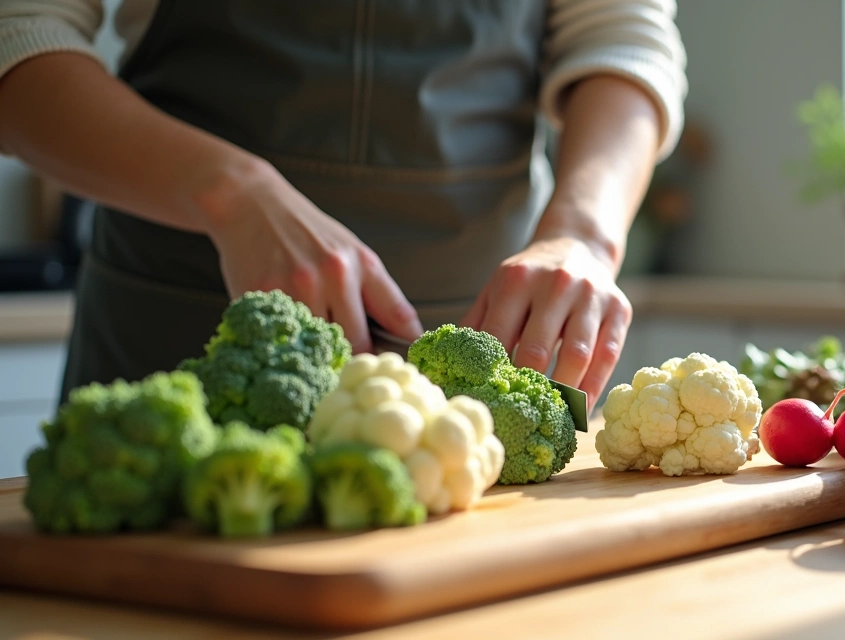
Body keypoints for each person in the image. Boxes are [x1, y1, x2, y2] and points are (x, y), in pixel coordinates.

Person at [0, 0, 688, 409]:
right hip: (178, 330)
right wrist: (230, 191)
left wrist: (583, 236)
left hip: (485, 342)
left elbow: (623, 39)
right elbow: (19, 34)